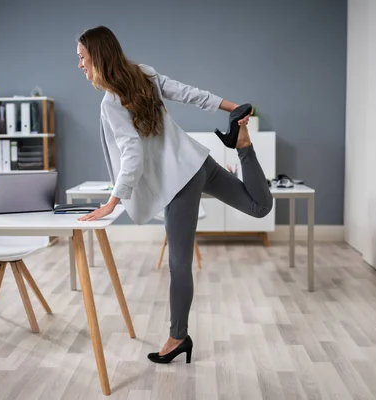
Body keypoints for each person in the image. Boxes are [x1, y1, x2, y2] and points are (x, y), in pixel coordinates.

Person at [76, 26, 273, 364]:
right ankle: (242, 144)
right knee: (259, 206)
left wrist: (113, 200)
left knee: (180, 265)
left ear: (98, 57)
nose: (79, 65)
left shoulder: (111, 103)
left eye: (82, 58)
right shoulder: (144, 75)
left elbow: (132, 153)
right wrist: (233, 108)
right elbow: (188, 93)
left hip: (179, 182)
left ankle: (178, 337)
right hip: (198, 162)